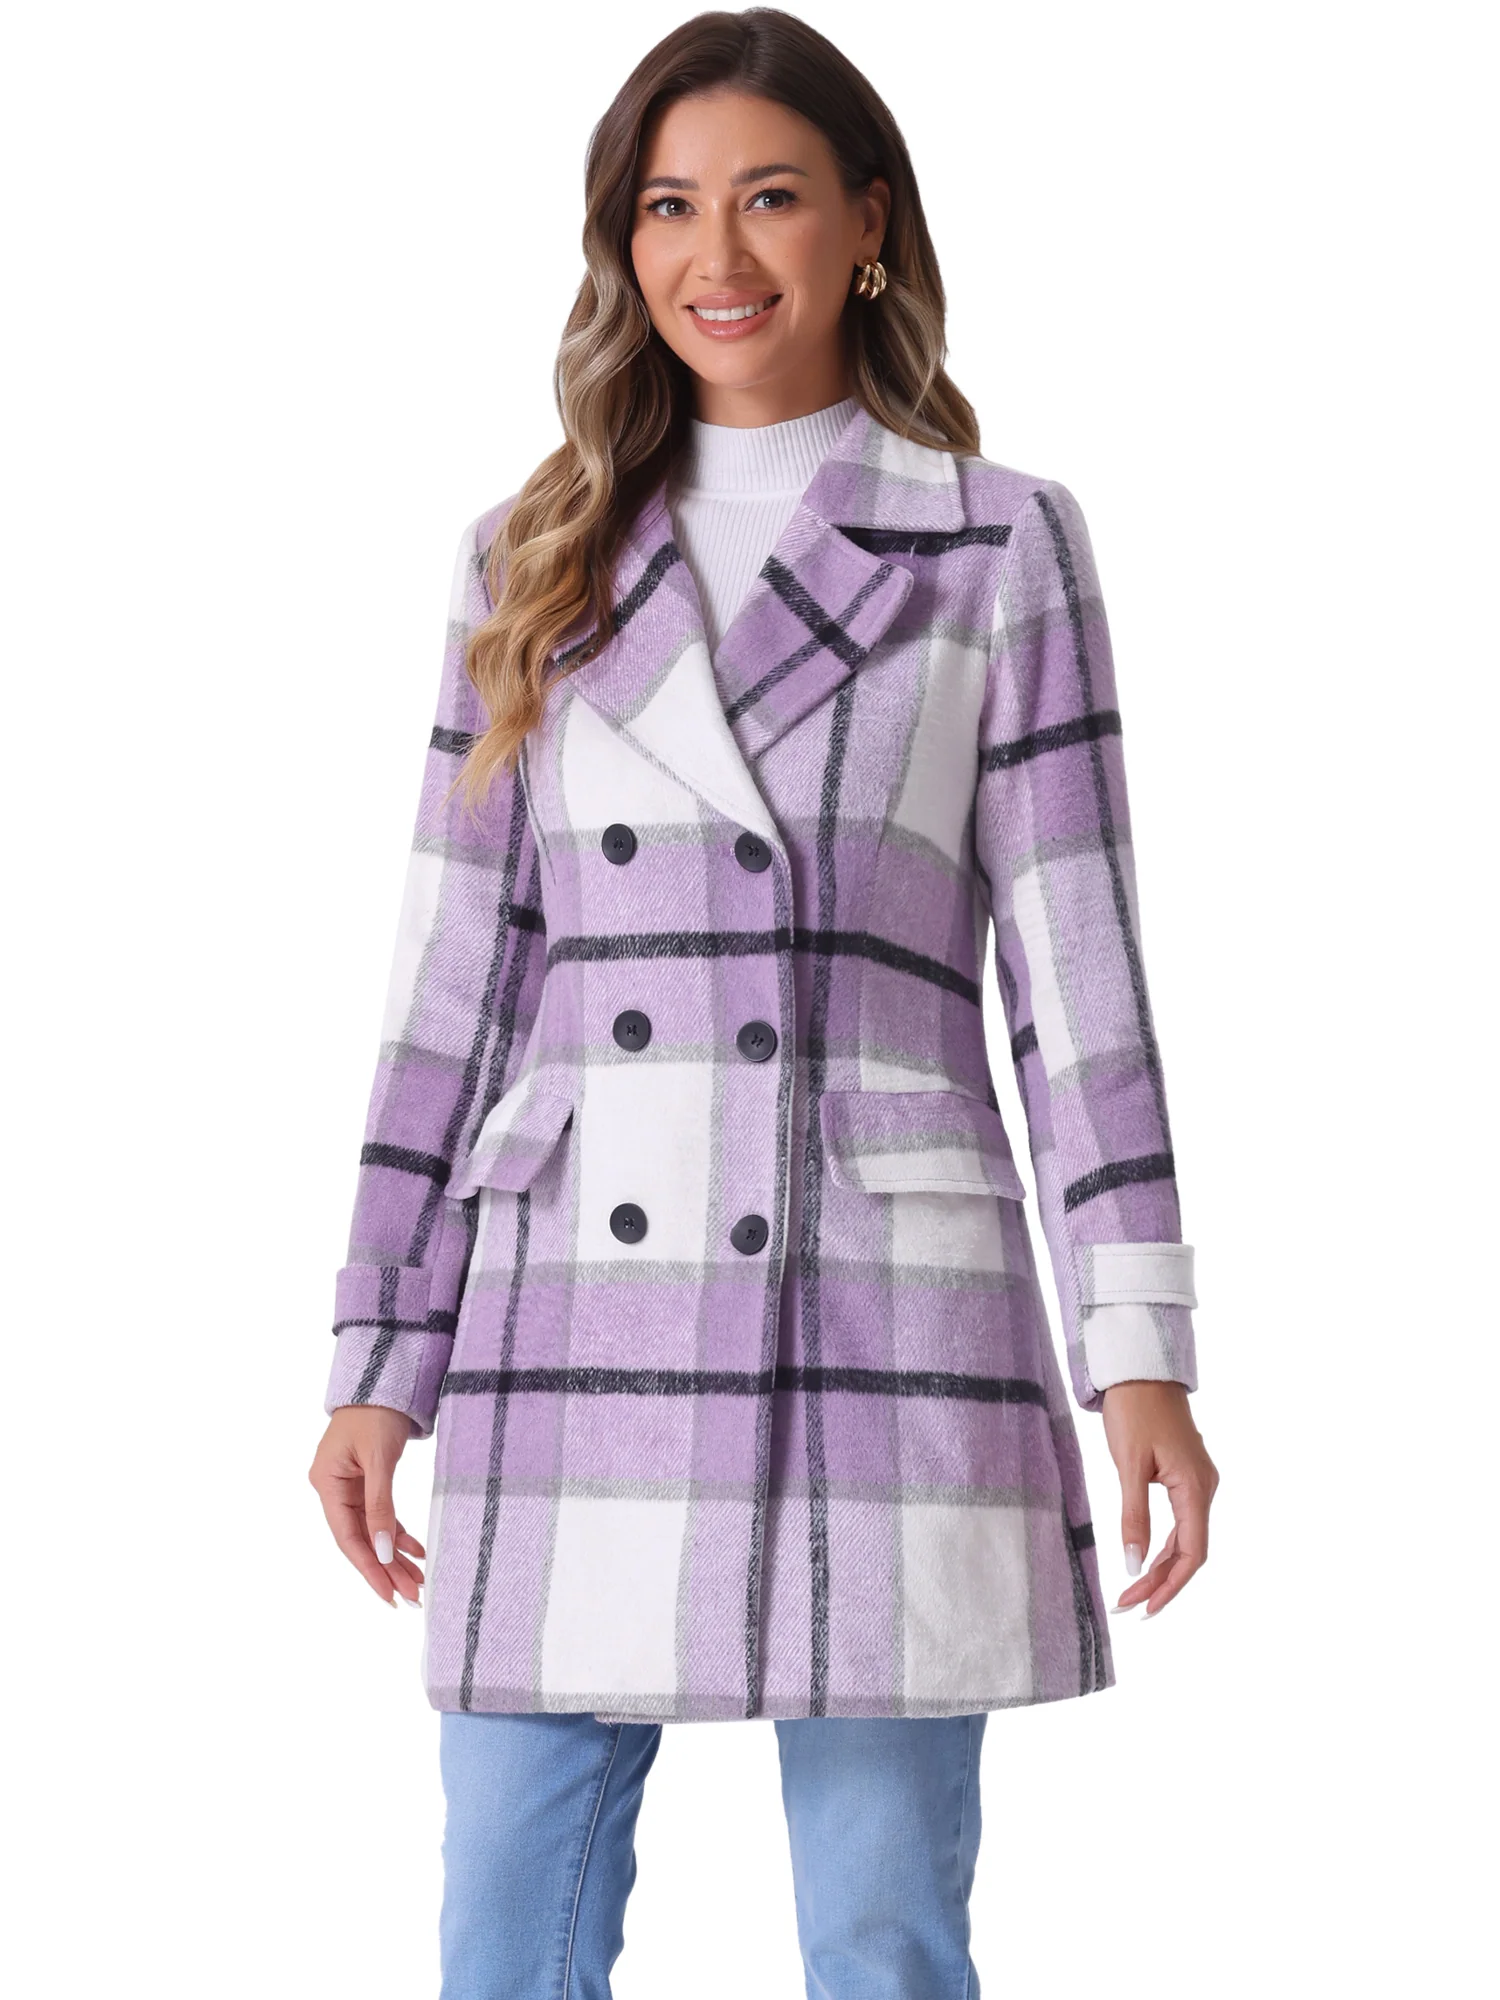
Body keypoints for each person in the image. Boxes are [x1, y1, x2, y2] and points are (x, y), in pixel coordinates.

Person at [307, 9, 1220, 1995]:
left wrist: (1138, 1346)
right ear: (620, 243)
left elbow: (1078, 975)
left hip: (878, 1288)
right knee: (505, 1922)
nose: (716, 253)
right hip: (570, 1295)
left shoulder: (994, 542)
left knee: (883, 1931)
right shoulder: (529, 560)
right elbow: (456, 986)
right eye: (667, 207)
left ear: (868, 223)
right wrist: (379, 1353)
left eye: (772, 197)